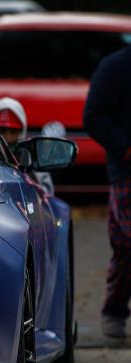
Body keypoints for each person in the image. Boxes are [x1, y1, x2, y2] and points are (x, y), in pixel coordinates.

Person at [84, 47, 131, 339]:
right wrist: (126, 149)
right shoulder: (115, 67)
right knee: (126, 246)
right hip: (127, 172)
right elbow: (94, 118)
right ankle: (114, 309)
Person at [0, 97, 55, 196]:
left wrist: (30, 178)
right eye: (2, 130)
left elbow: (47, 195)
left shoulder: (31, 159)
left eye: (13, 131)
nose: (8, 137)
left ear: (21, 132)